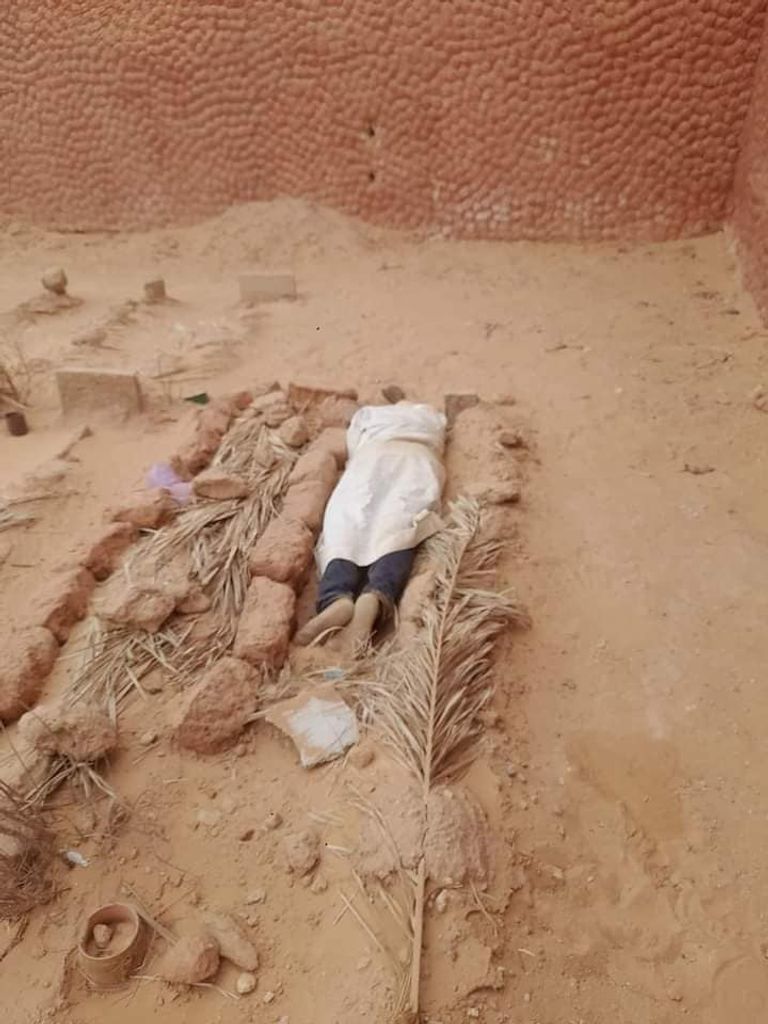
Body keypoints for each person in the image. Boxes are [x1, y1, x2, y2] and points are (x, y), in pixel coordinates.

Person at [295, 401, 446, 653]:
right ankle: (374, 596)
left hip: (372, 457)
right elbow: (439, 441)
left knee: (345, 526)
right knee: (399, 529)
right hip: (418, 460)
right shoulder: (432, 418)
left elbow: (354, 443)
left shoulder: (370, 414)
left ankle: (335, 596)